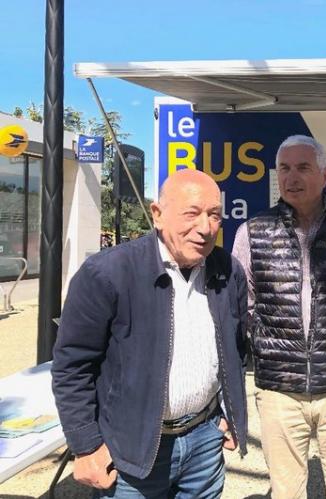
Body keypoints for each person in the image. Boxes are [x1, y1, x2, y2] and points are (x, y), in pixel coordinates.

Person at [52, 169, 248, 497]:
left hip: (204, 442)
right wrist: (86, 446)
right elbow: (72, 366)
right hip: (134, 449)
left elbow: (235, 348)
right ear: (157, 214)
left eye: (214, 215)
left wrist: (229, 413)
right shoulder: (107, 274)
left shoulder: (228, 270)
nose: (205, 227)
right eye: (192, 213)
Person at [232, 135, 326, 499]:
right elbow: (242, 306)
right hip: (279, 390)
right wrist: (265, 350)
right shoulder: (252, 231)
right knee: (287, 492)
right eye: (284, 168)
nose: (291, 177)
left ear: (325, 175)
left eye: (303, 167)